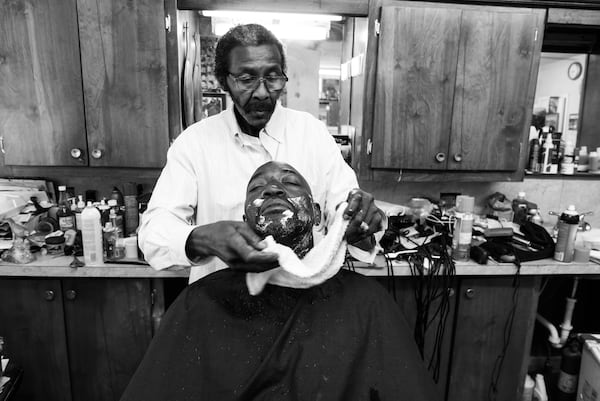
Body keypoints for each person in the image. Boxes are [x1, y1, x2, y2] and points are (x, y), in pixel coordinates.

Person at [120, 161, 439, 401]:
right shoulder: (201, 302)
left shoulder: (366, 303)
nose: (273, 189)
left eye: (290, 183)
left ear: (317, 215)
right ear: (244, 220)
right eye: (257, 188)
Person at [138, 23, 383, 283]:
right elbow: (153, 234)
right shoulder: (195, 144)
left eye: (273, 77)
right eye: (246, 79)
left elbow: (345, 209)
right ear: (224, 81)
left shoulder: (312, 134)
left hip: (307, 305)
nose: (263, 92)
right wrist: (203, 238)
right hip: (226, 307)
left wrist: (359, 221)